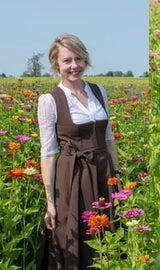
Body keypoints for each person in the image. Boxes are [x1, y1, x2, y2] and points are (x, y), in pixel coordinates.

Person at [37, 34, 120, 269]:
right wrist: (50, 201)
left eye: (79, 59)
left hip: (104, 172)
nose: (74, 66)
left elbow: (108, 137)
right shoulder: (50, 100)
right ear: (56, 65)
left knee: (108, 232)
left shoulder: (98, 91)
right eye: (67, 61)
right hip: (72, 176)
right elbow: (48, 152)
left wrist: (117, 176)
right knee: (77, 231)